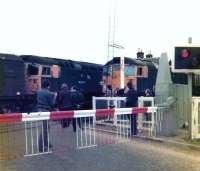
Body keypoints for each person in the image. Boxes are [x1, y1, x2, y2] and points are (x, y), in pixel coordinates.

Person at [37, 80, 56, 152]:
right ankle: (41, 147)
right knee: (45, 129)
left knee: (47, 127)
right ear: (48, 86)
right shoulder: (49, 93)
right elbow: (52, 104)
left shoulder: (39, 92)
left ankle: (47, 143)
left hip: (40, 110)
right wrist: (54, 96)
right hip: (45, 111)